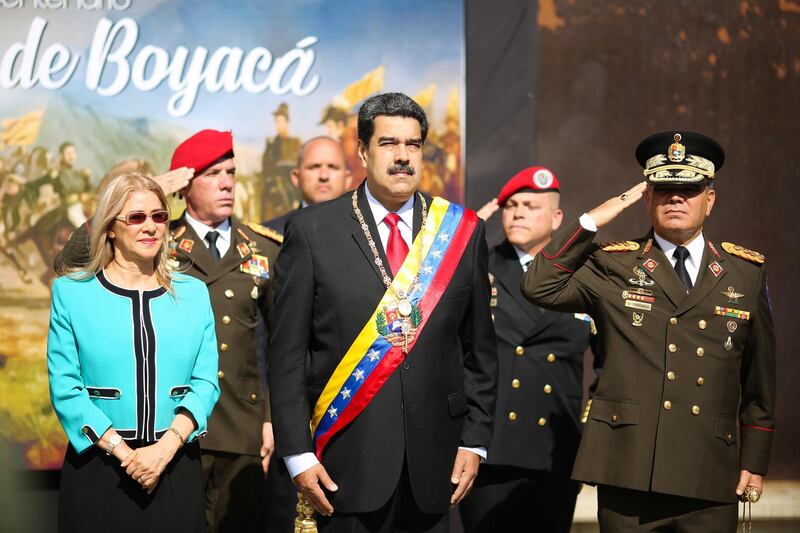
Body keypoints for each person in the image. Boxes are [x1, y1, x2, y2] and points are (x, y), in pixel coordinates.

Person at [522, 131, 776, 532]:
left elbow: (759, 383)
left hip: (709, 470)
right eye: (663, 189)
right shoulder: (613, 265)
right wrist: (592, 220)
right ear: (646, 197)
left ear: (710, 199)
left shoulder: (744, 273)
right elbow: (539, 286)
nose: (675, 198)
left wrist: (754, 463)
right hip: (630, 468)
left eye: (689, 189)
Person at [268, 92, 498, 532]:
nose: (402, 157)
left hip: (438, 470)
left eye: (413, 145)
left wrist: (476, 441)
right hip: (344, 467)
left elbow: (480, 353)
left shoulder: (462, 232)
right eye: (389, 144)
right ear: (362, 151)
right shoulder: (313, 231)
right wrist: (297, 455)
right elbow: (287, 357)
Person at [56, 129, 283, 533]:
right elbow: (73, 259)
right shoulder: (163, 238)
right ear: (185, 184)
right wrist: (149, 190)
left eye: (231, 172)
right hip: (136, 449)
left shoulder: (262, 247)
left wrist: (269, 417)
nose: (227, 182)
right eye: (213, 173)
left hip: (227, 429)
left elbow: (279, 341)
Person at [48, 172, 220, 533]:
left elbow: (205, 383)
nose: (151, 227)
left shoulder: (194, 294)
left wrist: (163, 450)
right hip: (99, 465)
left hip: (175, 463)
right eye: (136, 217)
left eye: (159, 216)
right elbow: (66, 388)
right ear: (110, 227)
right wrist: (127, 455)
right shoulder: (71, 293)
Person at [459, 167, 596, 532]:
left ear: (556, 218)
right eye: (511, 205)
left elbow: (610, 362)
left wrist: (590, 432)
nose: (517, 212)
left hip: (555, 450)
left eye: (530, 206)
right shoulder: (477, 267)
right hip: (492, 451)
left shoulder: (584, 277)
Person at [263, 136, 352, 234]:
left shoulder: (368, 232)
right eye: (314, 167)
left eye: (333, 167)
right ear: (296, 177)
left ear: (347, 179)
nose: (323, 176)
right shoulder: (268, 235)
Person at [261, 102, 302, 221]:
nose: (278, 125)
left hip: (290, 192)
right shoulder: (271, 143)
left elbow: (300, 170)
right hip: (272, 193)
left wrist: (296, 197)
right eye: (276, 121)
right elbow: (265, 168)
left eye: (281, 121)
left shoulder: (295, 143)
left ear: (287, 123)